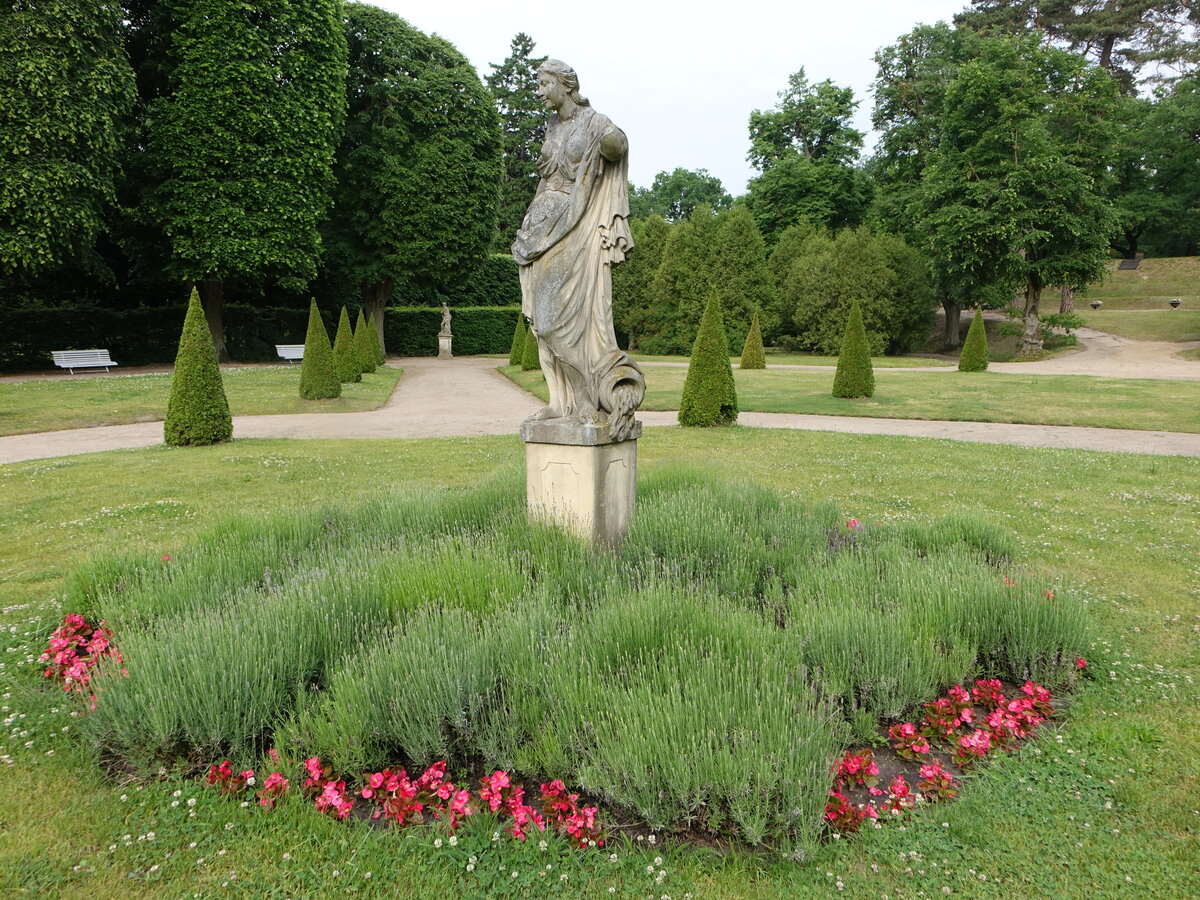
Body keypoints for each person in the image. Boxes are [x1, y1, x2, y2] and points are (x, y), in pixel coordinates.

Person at [512, 59, 644, 441]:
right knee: (540, 321)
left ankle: (586, 399)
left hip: (574, 226)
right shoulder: (553, 126)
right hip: (539, 229)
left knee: (557, 319)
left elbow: (617, 145)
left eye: (543, 83)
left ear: (565, 84)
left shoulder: (593, 121)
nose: (539, 91)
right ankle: (559, 401)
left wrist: (611, 142)